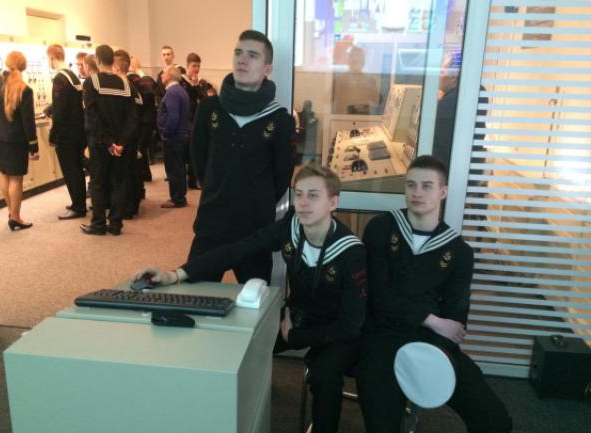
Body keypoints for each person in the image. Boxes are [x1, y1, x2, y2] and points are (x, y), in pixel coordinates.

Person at [134, 163, 367, 433]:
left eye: (313, 196)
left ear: (333, 203)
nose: (303, 203)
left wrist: (296, 337)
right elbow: (239, 249)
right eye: (299, 194)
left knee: (324, 376)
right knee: (242, 342)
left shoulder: (352, 252)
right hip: (298, 318)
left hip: (337, 330)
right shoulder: (291, 226)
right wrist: (176, 274)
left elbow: (351, 325)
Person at [355, 155, 512, 433]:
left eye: (426, 186)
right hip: (382, 337)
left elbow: (455, 319)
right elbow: (378, 296)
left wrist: (434, 351)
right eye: (411, 185)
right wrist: (432, 319)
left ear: (443, 192)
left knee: (495, 420)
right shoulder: (381, 228)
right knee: (383, 426)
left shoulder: (460, 252)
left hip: (431, 341)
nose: (416, 193)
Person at [189, 29, 294, 284]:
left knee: (255, 301)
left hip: (255, 230)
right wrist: (217, 188)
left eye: (252, 55)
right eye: (238, 53)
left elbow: (281, 176)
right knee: (194, 296)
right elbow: (199, 160)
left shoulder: (280, 120)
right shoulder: (209, 108)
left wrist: (255, 199)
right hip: (212, 222)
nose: (242, 59)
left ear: (267, 69)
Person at [0, 51, 39, 230]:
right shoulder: (25, 89)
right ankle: (16, 217)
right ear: (23, 67)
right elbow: (28, 121)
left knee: (4, 174)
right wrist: (33, 146)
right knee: (16, 179)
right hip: (15, 140)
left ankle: (11, 212)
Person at [80, 44, 137, 236]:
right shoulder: (126, 84)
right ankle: (115, 224)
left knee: (98, 183)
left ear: (97, 60)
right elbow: (132, 118)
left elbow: (92, 117)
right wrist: (120, 143)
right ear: (112, 60)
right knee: (118, 182)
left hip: (99, 143)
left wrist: (108, 142)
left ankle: (98, 223)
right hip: (120, 146)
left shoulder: (92, 82)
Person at [46, 44, 88, 220]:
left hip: (66, 134)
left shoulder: (59, 79)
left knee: (71, 170)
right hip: (79, 130)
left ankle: (78, 206)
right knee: (77, 169)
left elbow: (59, 111)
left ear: (52, 58)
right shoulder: (73, 76)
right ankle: (79, 202)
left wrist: (53, 135)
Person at [114, 49, 144, 218]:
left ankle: (128, 207)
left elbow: (128, 116)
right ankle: (133, 204)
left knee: (125, 172)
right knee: (132, 170)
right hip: (133, 134)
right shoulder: (132, 86)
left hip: (127, 135)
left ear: (117, 67)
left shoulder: (125, 87)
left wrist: (121, 139)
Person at [157, 65, 190, 208]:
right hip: (179, 135)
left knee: (174, 169)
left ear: (170, 75)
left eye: (163, 73)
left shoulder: (172, 92)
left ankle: (177, 199)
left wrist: (165, 133)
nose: (161, 75)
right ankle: (180, 197)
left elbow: (173, 117)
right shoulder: (180, 90)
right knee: (179, 168)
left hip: (173, 137)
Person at [180, 52, 213, 189]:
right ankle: (184, 180)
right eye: (194, 66)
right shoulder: (181, 82)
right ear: (187, 66)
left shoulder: (201, 83)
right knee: (185, 151)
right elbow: (185, 100)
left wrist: (197, 87)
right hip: (185, 120)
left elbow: (204, 99)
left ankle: (194, 179)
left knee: (196, 150)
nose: (196, 69)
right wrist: (192, 87)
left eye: (198, 66)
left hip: (197, 119)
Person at [128, 56, 157, 182]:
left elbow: (149, 92)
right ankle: (145, 173)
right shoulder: (136, 79)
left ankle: (142, 174)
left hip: (145, 119)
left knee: (140, 147)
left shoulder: (138, 80)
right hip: (145, 118)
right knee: (142, 148)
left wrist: (139, 72)